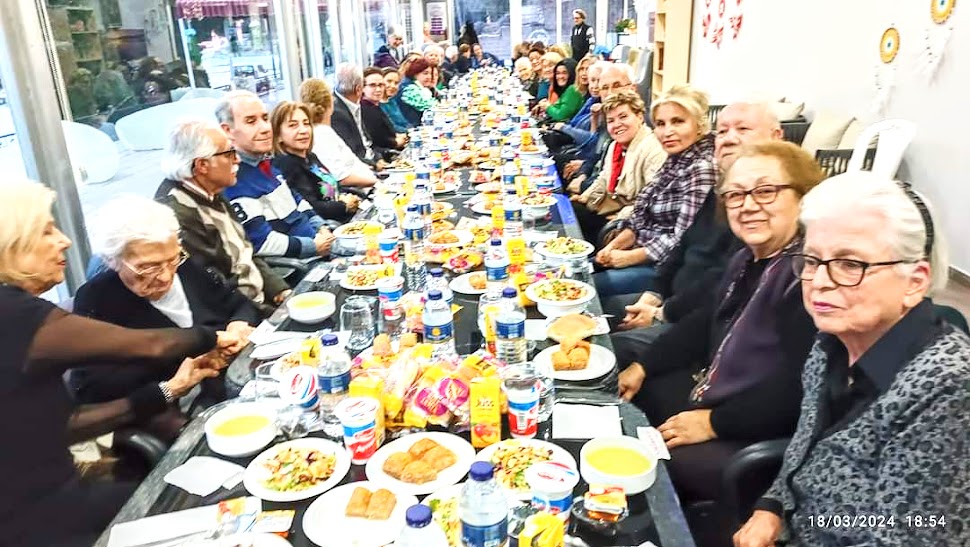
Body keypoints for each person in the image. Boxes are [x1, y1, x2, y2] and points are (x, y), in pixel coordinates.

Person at [734, 173, 970, 547]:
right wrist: (772, 505)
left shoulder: (949, 387)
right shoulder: (830, 343)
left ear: (914, 281)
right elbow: (803, 450)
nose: (819, 281)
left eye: (849, 263)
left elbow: (912, 536)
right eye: (812, 260)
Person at [0, 181, 231, 547]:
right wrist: (216, 337)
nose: (64, 240)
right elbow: (152, 345)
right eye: (46, 230)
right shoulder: (12, 315)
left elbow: (65, 424)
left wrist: (167, 390)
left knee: (206, 511)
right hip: (27, 521)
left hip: (62, 494)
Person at [614, 142, 822, 512]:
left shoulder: (808, 279)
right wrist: (644, 365)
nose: (748, 205)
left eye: (765, 191)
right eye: (735, 194)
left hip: (764, 432)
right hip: (723, 394)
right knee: (627, 390)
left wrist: (713, 423)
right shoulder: (745, 260)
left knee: (650, 467)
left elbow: (800, 391)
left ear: (804, 198)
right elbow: (703, 323)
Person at [72, 197, 259, 438]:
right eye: (148, 267)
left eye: (172, 260)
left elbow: (240, 304)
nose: (166, 276)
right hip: (175, 414)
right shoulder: (96, 299)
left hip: (234, 387)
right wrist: (189, 360)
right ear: (112, 260)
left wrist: (237, 326)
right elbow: (92, 388)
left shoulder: (186, 267)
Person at [609, 102, 784, 356]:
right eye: (722, 131)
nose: (729, 138)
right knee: (599, 310)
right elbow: (683, 245)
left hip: (703, 324)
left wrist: (662, 313)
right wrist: (654, 293)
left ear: (776, 136)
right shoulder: (721, 187)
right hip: (674, 297)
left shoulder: (767, 206)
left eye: (743, 129)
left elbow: (722, 286)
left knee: (610, 346)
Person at [592, 85, 716, 297]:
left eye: (678, 121)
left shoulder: (701, 169)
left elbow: (683, 239)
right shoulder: (675, 158)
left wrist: (629, 258)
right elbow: (640, 217)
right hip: (640, 251)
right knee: (575, 271)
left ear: (699, 124)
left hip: (665, 269)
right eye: (660, 124)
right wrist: (614, 246)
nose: (667, 132)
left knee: (590, 287)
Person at [155, 120, 290, 310]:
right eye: (229, 154)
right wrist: (272, 313)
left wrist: (280, 291)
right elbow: (216, 290)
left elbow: (246, 251)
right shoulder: (177, 216)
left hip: (260, 300)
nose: (238, 160)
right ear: (202, 165)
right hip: (241, 315)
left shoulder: (212, 189)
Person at [216, 90, 335, 259]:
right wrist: (314, 246)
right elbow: (262, 243)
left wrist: (321, 228)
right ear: (228, 130)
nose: (265, 128)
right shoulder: (233, 180)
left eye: (265, 118)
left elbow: (298, 201)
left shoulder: (265, 163)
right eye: (251, 121)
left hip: (320, 245)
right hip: (302, 264)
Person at [569, 90, 665, 241]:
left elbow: (654, 202)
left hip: (633, 224)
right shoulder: (614, 146)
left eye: (623, 117)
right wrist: (585, 197)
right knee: (569, 211)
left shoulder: (654, 149)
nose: (617, 124)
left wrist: (622, 217)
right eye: (611, 120)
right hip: (609, 210)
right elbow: (604, 178)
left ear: (640, 117)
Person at [270, 101, 360, 223]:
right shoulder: (286, 164)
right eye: (293, 125)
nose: (303, 130)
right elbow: (311, 207)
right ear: (278, 135)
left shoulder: (310, 156)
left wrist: (351, 198)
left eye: (306, 124)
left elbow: (333, 188)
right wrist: (344, 206)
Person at [563, 62, 637, 194]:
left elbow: (619, 179)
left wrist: (583, 185)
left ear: (633, 88)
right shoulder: (606, 116)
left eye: (616, 86)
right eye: (605, 88)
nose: (610, 93)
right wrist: (583, 174)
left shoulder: (634, 122)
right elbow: (597, 154)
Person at [300, 78, 379, 189]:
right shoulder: (322, 134)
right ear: (330, 104)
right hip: (362, 190)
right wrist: (377, 182)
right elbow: (342, 178)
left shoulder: (325, 131)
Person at [331, 63, 377, 163]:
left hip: (372, 159)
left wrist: (379, 157)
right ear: (358, 89)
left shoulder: (354, 104)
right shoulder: (335, 113)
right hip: (362, 166)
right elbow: (351, 154)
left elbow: (367, 142)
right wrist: (375, 164)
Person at [361, 67, 407, 152]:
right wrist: (396, 142)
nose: (378, 89)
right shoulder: (365, 109)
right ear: (362, 88)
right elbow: (377, 141)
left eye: (381, 85)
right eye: (372, 85)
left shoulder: (375, 106)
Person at [395, 58, 438, 126]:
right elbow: (430, 106)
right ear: (415, 73)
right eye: (425, 73)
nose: (429, 77)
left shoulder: (418, 86)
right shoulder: (408, 89)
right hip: (410, 127)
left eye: (430, 73)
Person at [381, 67, 411, 132]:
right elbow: (391, 126)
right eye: (389, 81)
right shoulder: (377, 105)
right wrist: (409, 131)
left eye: (396, 83)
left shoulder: (392, 101)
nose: (393, 86)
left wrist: (412, 129)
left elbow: (404, 121)